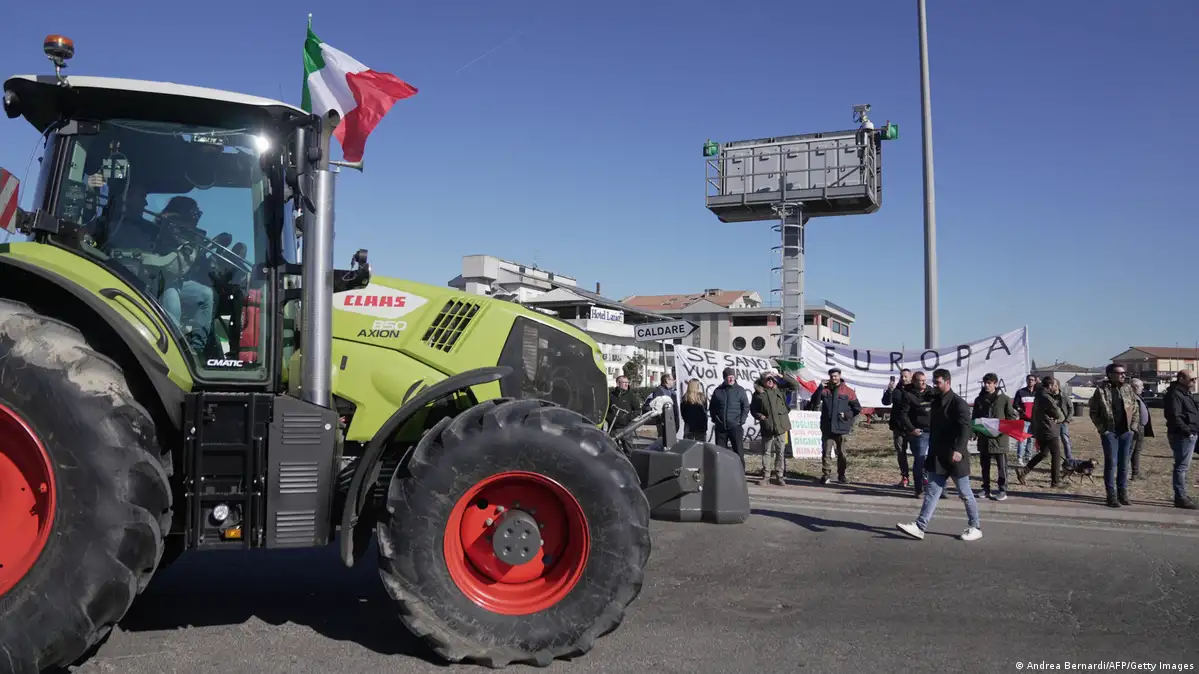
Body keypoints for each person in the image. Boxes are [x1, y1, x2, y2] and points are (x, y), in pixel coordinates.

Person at [896, 368, 982, 542]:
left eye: (938, 382)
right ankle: (920, 526)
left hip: (955, 455)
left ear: (948, 382)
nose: (934, 385)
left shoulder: (959, 403)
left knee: (965, 493)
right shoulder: (934, 399)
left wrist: (958, 449)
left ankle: (975, 526)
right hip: (938, 455)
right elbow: (913, 396)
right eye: (933, 382)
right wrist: (902, 385)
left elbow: (966, 429)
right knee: (932, 492)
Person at [1089, 363, 1141, 508]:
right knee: (1111, 463)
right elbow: (1093, 412)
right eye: (1120, 373)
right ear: (1110, 374)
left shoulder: (1128, 389)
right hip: (1110, 432)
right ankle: (1111, 496)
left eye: (1124, 373)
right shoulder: (1101, 391)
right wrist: (1102, 429)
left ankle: (1122, 493)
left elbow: (1135, 408)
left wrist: (1133, 426)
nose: (1123, 375)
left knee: (1124, 464)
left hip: (1126, 432)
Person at [805, 368, 861, 484]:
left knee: (842, 453)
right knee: (826, 452)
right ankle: (826, 475)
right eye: (831, 376)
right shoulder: (825, 390)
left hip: (842, 427)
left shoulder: (848, 391)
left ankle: (842, 475)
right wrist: (819, 388)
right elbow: (814, 401)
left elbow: (857, 408)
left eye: (835, 376)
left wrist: (846, 414)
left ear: (840, 376)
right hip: (827, 427)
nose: (833, 378)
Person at [972, 372, 1018, 500]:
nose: (987, 385)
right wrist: (974, 432)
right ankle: (985, 488)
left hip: (999, 439)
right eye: (985, 383)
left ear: (995, 384)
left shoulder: (1004, 399)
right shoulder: (979, 399)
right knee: (984, 465)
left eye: (989, 383)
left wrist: (1003, 428)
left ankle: (1002, 490)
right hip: (984, 438)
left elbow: (1011, 417)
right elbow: (975, 418)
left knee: (1001, 466)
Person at [1016, 377, 1067, 488]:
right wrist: (1061, 418)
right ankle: (1055, 481)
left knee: (1043, 453)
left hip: (1040, 428)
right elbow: (1057, 413)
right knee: (1056, 454)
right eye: (1054, 385)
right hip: (1049, 428)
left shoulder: (1038, 394)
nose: (1056, 387)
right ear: (1049, 386)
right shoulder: (1046, 397)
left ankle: (1023, 472)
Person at [752, 369, 799, 486]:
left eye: (771, 379)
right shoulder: (758, 394)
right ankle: (766, 476)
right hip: (767, 426)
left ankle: (779, 476)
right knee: (766, 452)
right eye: (767, 379)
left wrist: (780, 375)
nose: (770, 381)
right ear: (762, 381)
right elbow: (753, 409)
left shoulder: (781, 389)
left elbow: (795, 385)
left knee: (780, 452)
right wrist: (760, 416)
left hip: (781, 426)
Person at [894, 370, 935, 497]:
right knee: (920, 460)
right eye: (920, 381)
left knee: (934, 460)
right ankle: (919, 488)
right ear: (914, 381)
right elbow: (903, 414)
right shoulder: (908, 395)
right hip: (919, 433)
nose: (923, 383)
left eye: (925, 380)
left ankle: (936, 487)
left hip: (933, 431)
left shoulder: (932, 392)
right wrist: (912, 429)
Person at [1162, 370, 1198, 510]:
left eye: (1195, 379)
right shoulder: (1174, 394)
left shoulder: (1185, 393)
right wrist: (1187, 431)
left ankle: (1182, 495)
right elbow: (1174, 416)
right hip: (1182, 435)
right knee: (1181, 466)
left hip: (1193, 432)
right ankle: (1180, 497)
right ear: (1181, 379)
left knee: (1183, 466)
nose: (1194, 382)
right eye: (1192, 379)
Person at [708, 367, 750, 465]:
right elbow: (712, 407)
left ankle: (740, 474)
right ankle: (722, 474)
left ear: (735, 377)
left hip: (735, 426)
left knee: (738, 452)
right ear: (724, 378)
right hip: (721, 427)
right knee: (720, 453)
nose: (730, 379)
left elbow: (746, 407)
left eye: (732, 377)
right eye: (728, 377)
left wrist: (741, 421)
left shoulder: (740, 390)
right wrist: (716, 419)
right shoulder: (718, 391)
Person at [882, 368, 914, 488]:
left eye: (906, 376)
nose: (903, 379)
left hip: (912, 427)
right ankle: (905, 477)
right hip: (898, 427)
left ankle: (921, 476)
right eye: (902, 376)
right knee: (901, 453)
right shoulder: (896, 390)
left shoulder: (915, 390)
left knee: (918, 453)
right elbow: (886, 402)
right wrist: (889, 391)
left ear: (911, 377)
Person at [1129, 377, 1155, 480]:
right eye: (1141, 386)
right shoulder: (1130, 398)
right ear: (1135, 387)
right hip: (1134, 428)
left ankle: (1136, 473)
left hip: (1141, 427)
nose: (1143, 388)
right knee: (1129, 451)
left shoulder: (1138, 396)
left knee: (1137, 451)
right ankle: (1123, 474)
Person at [1012, 374, 1040, 466]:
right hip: (1024, 420)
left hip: (1034, 420)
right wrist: (1021, 411)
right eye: (1029, 380)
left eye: (1032, 380)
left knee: (1030, 439)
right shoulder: (1021, 392)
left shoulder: (1038, 393)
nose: (1030, 381)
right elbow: (1015, 404)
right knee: (1022, 439)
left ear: (1035, 381)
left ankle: (1028, 457)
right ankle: (1020, 457)